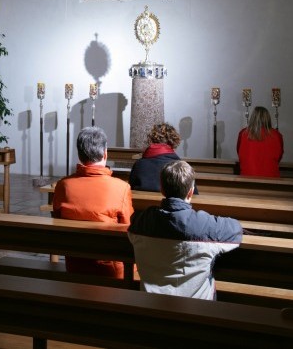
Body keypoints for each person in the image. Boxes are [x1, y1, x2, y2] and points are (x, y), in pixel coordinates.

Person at [128, 160, 242, 300]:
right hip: (197, 307)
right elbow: (235, 229)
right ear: (191, 192)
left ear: (162, 190)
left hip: (151, 303)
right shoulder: (205, 225)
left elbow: (132, 223)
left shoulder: (142, 221)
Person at [53, 126, 134, 278]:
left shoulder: (63, 185)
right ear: (105, 153)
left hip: (74, 265)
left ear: (79, 154)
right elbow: (129, 229)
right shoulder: (121, 188)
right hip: (111, 272)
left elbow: (57, 219)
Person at [129, 122, 198, 194]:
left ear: (152, 140)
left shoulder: (139, 164)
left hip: (142, 205)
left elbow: (131, 189)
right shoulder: (182, 168)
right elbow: (193, 195)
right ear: (173, 143)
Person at [237, 106, 284, 177]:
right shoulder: (277, 135)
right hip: (271, 180)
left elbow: (239, 152)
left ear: (253, 118)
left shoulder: (243, 133)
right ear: (268, 118)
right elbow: (279, 156)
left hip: (247, 179)